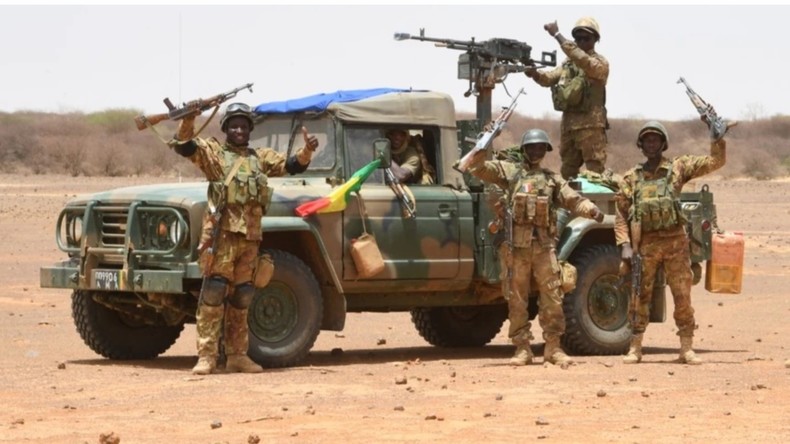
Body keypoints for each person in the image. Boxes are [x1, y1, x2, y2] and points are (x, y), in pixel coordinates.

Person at [169, 103, 319, 375]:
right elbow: (184, 145)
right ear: (226, 129)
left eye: (243, 126)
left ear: (250, 129)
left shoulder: (259, 158)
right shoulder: (214, 154)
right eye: (234, 126)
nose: (239, 130)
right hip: (221, 237)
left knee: (243, 295)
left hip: (249, 238)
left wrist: (307, 150)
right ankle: (207, 356)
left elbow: (291, 166)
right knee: (213, 293)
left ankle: (237, 355)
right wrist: (188, 120)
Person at [467, 129, 605, 367]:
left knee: (552, 297)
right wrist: (483, 145)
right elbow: (478, 169)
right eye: (532, 147)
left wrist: (591, 210)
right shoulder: (510, 173)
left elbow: (572, 199)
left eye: (541, 148)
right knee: (517, 300)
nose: (536, 151)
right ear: (524, 149)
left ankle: (553, 348)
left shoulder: (551, 179)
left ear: (545, 151)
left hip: (544, 248)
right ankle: (522, 348)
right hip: (516, 249)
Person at [614, 119, 727, 365]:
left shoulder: (678, 168)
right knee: (639, 296)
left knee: (682, 296)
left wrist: (717, 139)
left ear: (663, 143)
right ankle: (635, 348)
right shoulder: (631, 178)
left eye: (655, 139)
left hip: (675, 243)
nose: (651, 144)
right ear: (641, 145)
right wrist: (625, 245)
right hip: (646, 245)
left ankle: (686, 348)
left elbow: (715, 162)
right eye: (646, 140)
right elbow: (621, 214)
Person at [525, 17, 609, 180]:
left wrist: (557, 35)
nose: (581, 42)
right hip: (569, 127)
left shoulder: (599, 64)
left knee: (595, 173)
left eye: (586, 38)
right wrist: (534, 73)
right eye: (578, 38)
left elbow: (584, 61)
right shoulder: (568, 64)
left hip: (591, 127)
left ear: (595, 40)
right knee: (567, 172)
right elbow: (549, 78)